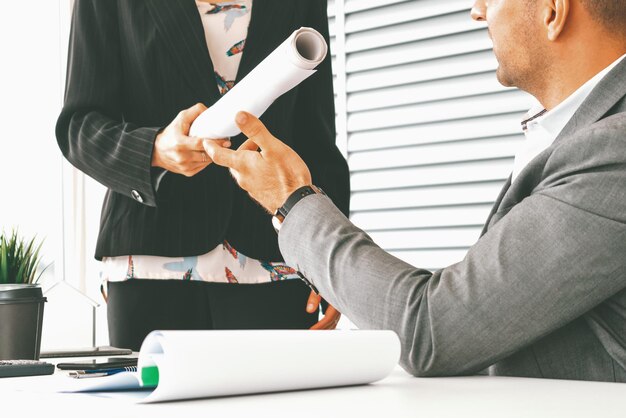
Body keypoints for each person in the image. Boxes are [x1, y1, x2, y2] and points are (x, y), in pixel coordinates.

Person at [203, 0, 626, 382]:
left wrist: (291, 200)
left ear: (553, 11)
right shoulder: (576, 133)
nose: (477, 12)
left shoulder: (613, 150)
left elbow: (433, 330)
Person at [55, 0, 349, 351]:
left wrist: (336, 257)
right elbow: (79, 125)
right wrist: (155, 149)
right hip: (153, 258)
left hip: (276, 256)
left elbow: (316, 141)